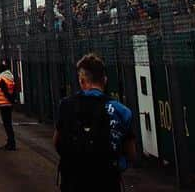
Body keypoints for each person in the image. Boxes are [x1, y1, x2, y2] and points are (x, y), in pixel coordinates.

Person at [54, 53, 136, 191]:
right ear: (104, 80)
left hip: (73, 181)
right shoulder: (121, 111)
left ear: (81, 80)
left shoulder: (66, 105)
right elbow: (131, 153)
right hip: (107, 181)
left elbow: (57, 142)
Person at [0, 60, 17, 150]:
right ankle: (11, 142)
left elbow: (5, 92)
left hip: (4, 104)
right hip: (8, 104)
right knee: (8, 124)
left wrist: (9, 100)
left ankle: (11, 143)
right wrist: (12, 101)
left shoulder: (2, 79)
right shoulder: (10, 77)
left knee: (7, 124)